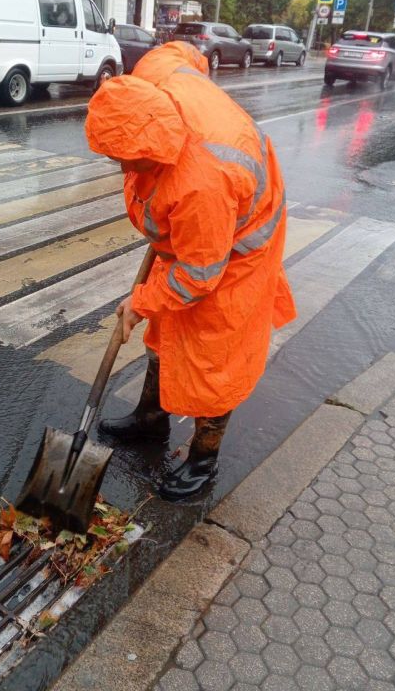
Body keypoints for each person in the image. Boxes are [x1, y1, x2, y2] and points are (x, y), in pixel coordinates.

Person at [85, 41, 297, 501]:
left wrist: (138, 301)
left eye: (125, 159)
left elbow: (198, 277)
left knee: (212, 351)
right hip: (199, 225)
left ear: (153, 154)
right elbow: (186, 53)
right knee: (166, 327)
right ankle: (150, 416)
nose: (119, 166)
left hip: (239, 245)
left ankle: (204, 458)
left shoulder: (202, 183)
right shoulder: (154, 75)